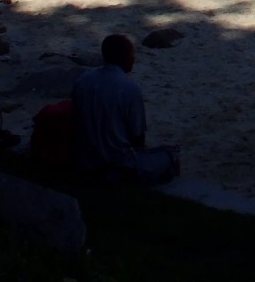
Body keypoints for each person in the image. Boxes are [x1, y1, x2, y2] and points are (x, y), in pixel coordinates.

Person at [71, 34, 180, 184]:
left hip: (85, 159)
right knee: (170, 155)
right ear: (124, 58)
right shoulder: (129, 88)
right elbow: (137, 136)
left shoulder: (84, 80)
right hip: (116, 164)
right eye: (132, 55)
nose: (134, 59)